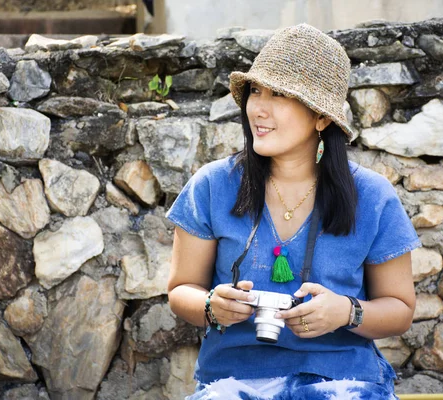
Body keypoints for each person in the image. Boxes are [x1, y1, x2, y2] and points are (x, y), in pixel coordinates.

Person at [166, 23, 421, 400]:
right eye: (256, 91)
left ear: (321, 118)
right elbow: (180, 290)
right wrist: (211, 306)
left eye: (280, 95)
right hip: (233, 383)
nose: (259, 108)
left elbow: (399, 309)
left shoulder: (372, 196)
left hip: (345, 382)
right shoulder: (212, 186)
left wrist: (347, 312)